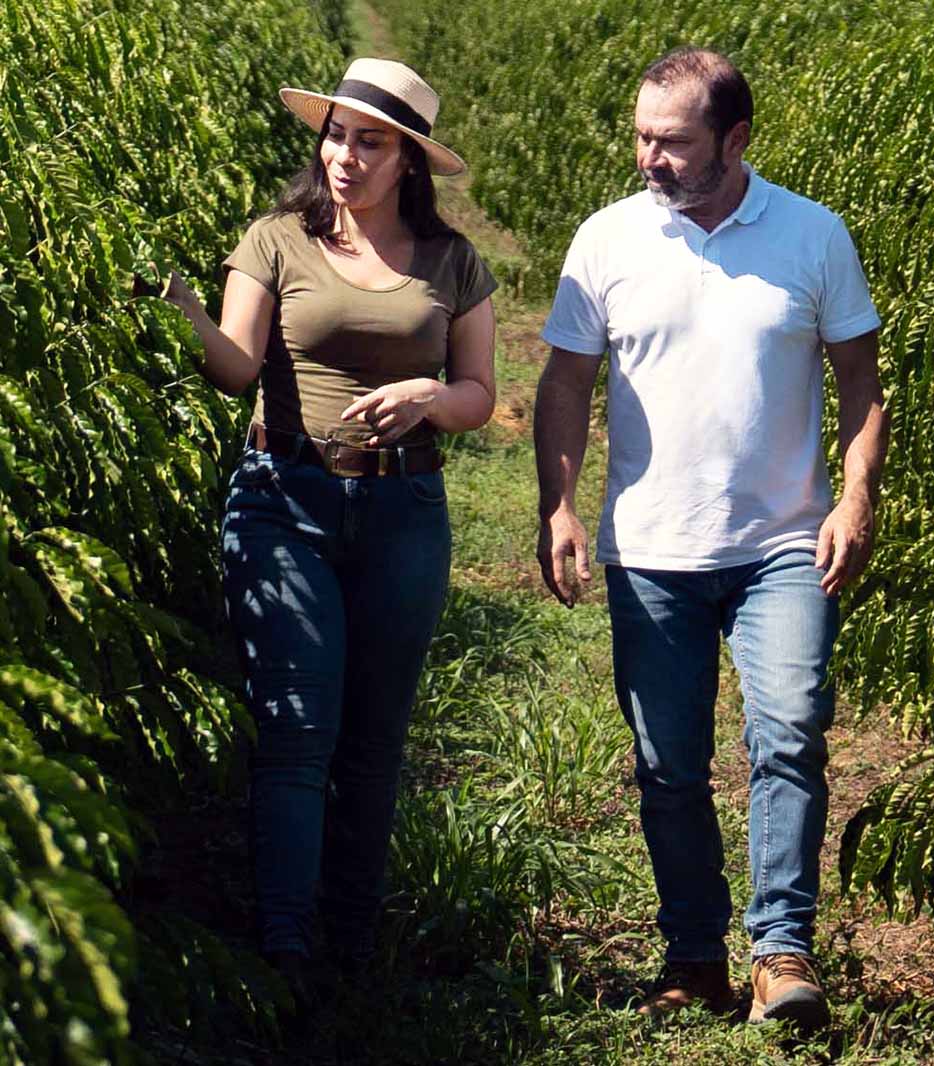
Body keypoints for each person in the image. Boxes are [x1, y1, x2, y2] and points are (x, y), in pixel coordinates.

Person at [534, 46, 888, 1031]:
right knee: (667, 764)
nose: (650, 158)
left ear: (734, 140)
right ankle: (694, 957)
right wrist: (557, 504)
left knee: (787, 736)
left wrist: (854, 497)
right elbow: (563, 382)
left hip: (782, 542)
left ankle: (780, 952)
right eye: (641, 138)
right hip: (651, 550)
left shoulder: (813, 236)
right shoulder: (605, 240)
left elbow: (859, 379)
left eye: (673, 142)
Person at [159, 58, 497, 985]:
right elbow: (236, 367)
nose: (346, 156)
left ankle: (352, 933)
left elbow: (481, 396)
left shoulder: (452, 262)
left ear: (408, 162)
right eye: (337, 135)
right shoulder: (277, 239)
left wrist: (429, 395)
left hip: (403, 511)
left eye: (372, 142)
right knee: (298, 725)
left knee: (376, 735)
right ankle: (287, 941)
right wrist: (188, 312)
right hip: (285, 500)